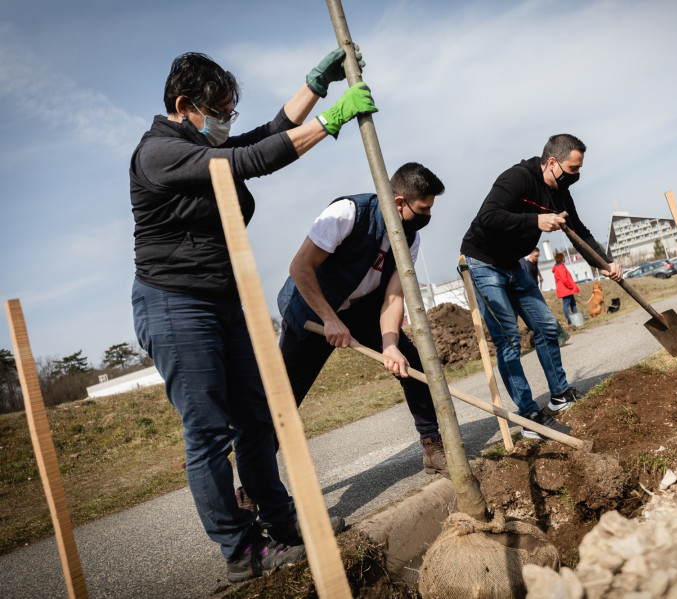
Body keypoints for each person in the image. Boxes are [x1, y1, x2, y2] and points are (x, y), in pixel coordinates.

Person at [130, 49, 377, 583]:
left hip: (224, 301)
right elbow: (251, 160)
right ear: (184, 106)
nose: (226, 121)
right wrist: (332, 121)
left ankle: (284, 524)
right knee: (208, 432)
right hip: (175, 305)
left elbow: (266, 135)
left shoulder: (200, 143)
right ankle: (241, 550)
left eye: (229, 111)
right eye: (218, 111)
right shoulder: (160, 152)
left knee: (257, 418)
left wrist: (315, 87)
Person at [277, 163, 448, 477]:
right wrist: (329, 318)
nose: (428, 215)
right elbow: (300, 267)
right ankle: (254, 488)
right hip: (311, 311)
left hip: (361, 309)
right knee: (282, 400)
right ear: (399, 202)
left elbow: (393, 298)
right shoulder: (347, 214)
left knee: (411, 365)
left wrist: (390, 345)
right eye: (423, 208)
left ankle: (432, 446)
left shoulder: (409, 239)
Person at [460, 133, 623, 439]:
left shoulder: (560, 193)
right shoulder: (517, 178)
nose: (576, 175)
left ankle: (560, 394)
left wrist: (606, 262)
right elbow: (489, 216)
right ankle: (529, 416)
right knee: (509, 339)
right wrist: (535, 220)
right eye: (572, 169)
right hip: (483, 262)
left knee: (547, 327)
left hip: (513, 264)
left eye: (579, 169)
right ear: (551, 162)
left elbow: (580, 231)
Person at [520, 248, 569, 346]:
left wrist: (540, 276)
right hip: (530, 291)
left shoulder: (534, 262)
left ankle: (559, 334)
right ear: (530, 254)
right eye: (536, 256)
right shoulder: (527, 265)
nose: (537, 258)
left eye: (538, 256)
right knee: (542, 313)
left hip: (534, 290)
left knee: (544, 313)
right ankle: (558, 335)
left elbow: (536, 268)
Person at [552, 252, 580, 324]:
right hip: (566, 290)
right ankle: (570, 320)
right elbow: (564, 279)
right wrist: (570, 286)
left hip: (565, 289)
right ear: (562, 259)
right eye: (564, 257)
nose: (565, 258)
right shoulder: (561, 267)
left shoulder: (558, 267)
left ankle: (576, 318)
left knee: (572, 303)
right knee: (567, 305)